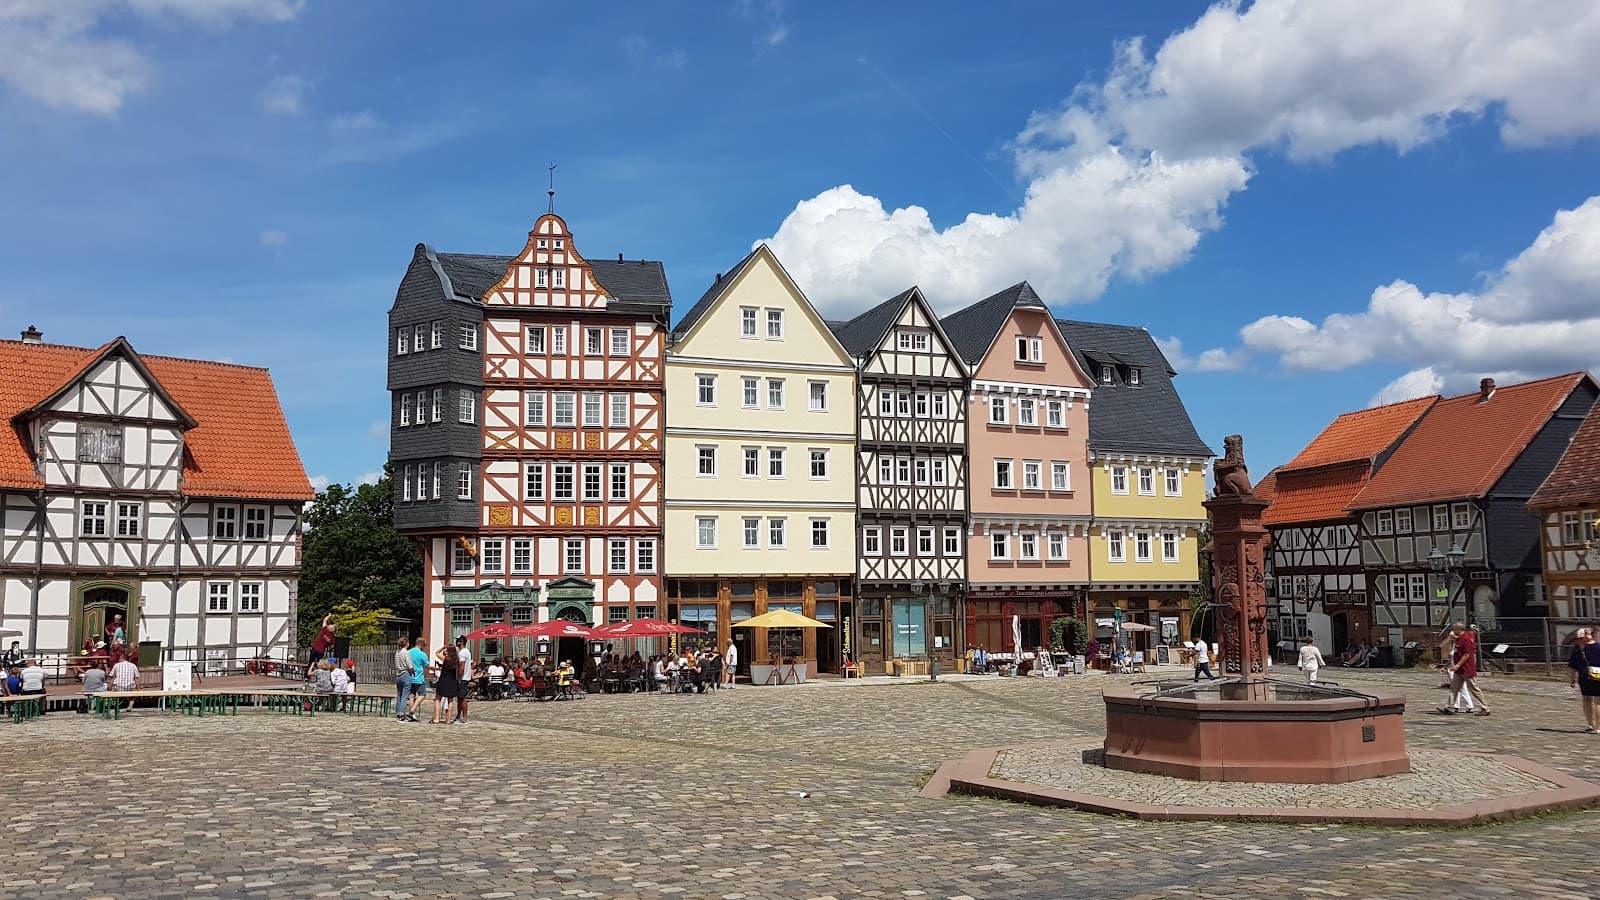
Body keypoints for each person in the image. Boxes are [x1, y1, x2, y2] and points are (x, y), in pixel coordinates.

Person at [1439, 622, 1489, 716]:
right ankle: (1450, 707)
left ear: (1459, 629)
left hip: (1466, 669)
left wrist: (1457, 665)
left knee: (1474, 689)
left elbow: (1466, 655)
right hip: (1459, 671)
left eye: (1454, 629)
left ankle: (1485, 708)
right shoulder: (1459, 639)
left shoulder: (1465, 639)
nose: (1453, 631)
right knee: (1454, 688)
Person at [1567, 626, 1600, 733]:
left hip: (1584, 676)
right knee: (1598, 702)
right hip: (1598, 675)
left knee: (1586, 699)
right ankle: (1598, 727)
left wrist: (1572, 679)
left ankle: (1590, 724)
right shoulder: (1599, 647)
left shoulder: (1578, 648)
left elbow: (1572, 666)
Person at [433, 643, 461, 724]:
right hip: (452, 681)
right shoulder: (456, 660)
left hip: (443, 680)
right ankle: (448, 720)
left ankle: (437, 718)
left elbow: (437, 653)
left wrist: (442, 648)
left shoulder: (445, 659)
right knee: (450, 700)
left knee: (438, 699)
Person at [393, 636, 417, 721]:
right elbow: (409, 665)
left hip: (398, 674)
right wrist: (413, 670)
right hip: (406, 674)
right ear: (407, 643)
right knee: (405, 695)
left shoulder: (397, 652)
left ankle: (398, 711)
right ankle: (402, 713)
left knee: (399, 694)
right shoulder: (405, 652)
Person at [407, 638, 430, 721]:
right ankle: (412, 711)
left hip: (410, 677)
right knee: (422, 695)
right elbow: (427, 664)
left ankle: (411, 714)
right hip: (419, 678)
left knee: (411, 696)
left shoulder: (408, 652)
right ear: (421, 644)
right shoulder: (422, 654)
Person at [454, 636, 473, 723]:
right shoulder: (466, 651)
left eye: (457, 640)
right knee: (460, 698)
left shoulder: (462, 653)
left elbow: (462, 666)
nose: (456, 642)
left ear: (461, 642)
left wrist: (459, 678)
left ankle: (464, 717)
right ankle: (458, 715)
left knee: (462, 698)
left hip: (463, 678)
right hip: (465, 677)